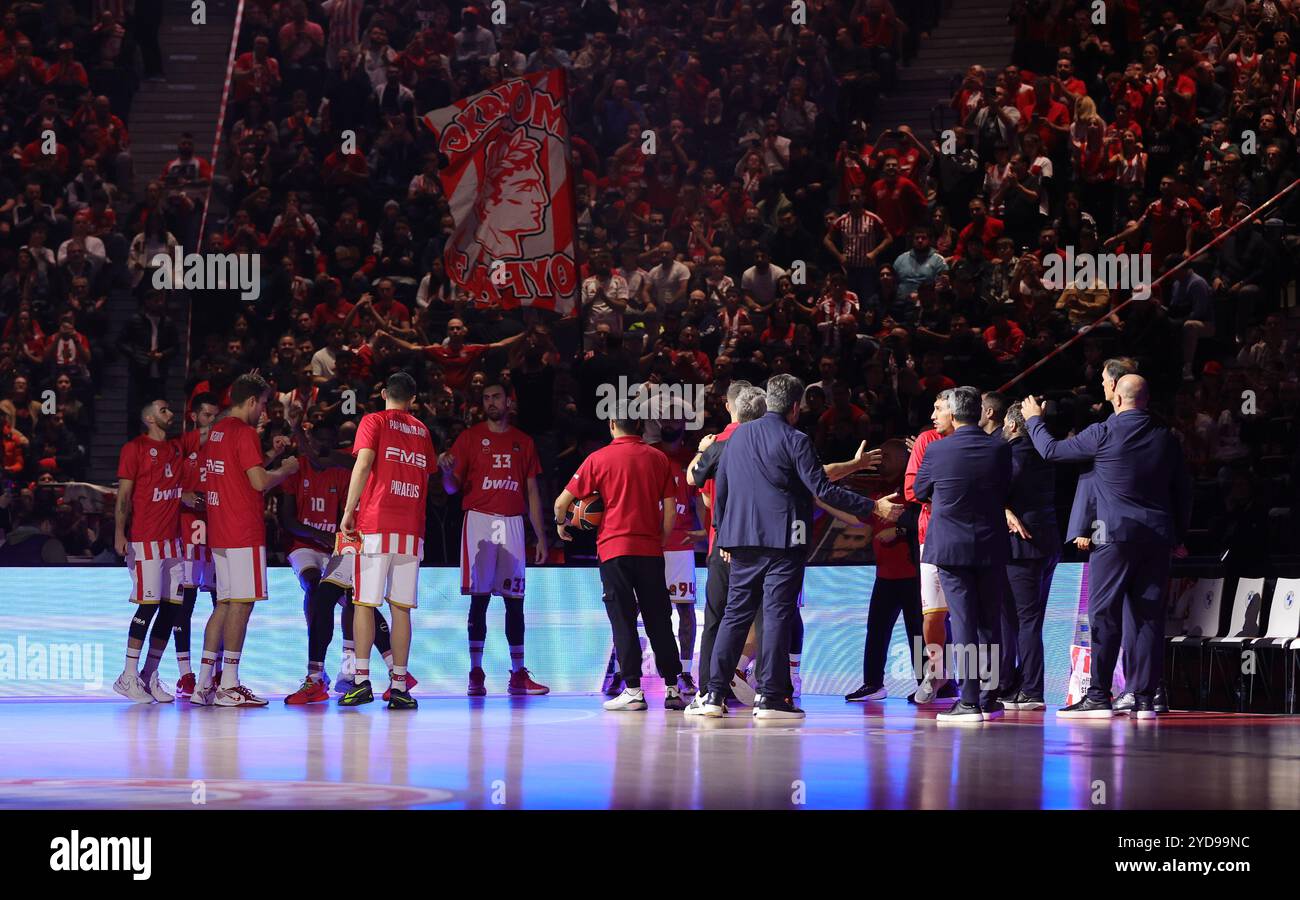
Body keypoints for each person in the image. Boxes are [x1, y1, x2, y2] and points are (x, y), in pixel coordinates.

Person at [698, 374, 901, 720]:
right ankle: (772, 697)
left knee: (735, 615)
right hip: (783, 542)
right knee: (776, 615)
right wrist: (873, 507)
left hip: (739, 540)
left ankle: (713, 694)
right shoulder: (796, 439)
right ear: (795, 408)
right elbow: (822, 490)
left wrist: (723, 534)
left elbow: (722, 491)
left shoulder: (731, 439)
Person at [1023, 375, 1191, 719]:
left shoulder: (1103, 432)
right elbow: (1184, 490)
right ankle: (1143, 697)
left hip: (1112, 536)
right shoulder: (1166, 438)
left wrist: (1034, 421)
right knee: (1148, 617)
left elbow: (1052, 450)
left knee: (1104, 613)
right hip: (1156, 537)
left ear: (1116, 394)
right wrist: (1179, 536)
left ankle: (1099, 694)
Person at [554, 415, 684, 712]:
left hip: (614, 550)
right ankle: (673, 689)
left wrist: (562, 525)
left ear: (613, 424)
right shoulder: (658, 458)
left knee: (623, 619)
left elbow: (561, 503)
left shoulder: (597, 459)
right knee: (659, 619)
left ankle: (634, 691)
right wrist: (660, 540)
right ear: (638, 425)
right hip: (650, 550)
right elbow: (669, 511)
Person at [281, 422, 412, 704]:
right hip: (356, 536)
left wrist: (297, 431)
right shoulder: (387, 456)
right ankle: (387, 674)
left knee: (348, 599)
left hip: (361, 536)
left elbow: (321, 457)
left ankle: (328, 677)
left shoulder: (358, 459)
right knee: (337, 597)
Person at [191, 374, 300, 707]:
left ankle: (204, 684)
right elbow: (257, 482)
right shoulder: (244, 432)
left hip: (221, 531)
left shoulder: (218, 432)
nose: (264, 411)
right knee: (242, 604)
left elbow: (239, 472)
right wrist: (284, 469)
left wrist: (268, 455)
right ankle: (230, 684)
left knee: (224, 604)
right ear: (252, 401)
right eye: (264, 404)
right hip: (243, 531)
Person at [440, 380, 551, 697]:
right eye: (486, 398)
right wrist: (447, 471)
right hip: (479, 521)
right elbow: (451, 488)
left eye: (496, 397)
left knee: (515, 602)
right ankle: (475, 672)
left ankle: (518, 674)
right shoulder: (469, 438)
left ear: (508, 401)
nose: (491, 402)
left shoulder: (523, 442)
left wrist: (540, 536)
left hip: (514, 524)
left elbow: (531, 491)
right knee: (480, 600)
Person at [912, 386, 1012, 723]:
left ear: (954, 414)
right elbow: (1005, 487)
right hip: (991, 544)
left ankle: (968, 701)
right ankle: (990, 696)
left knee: (965, 621)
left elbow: (920, 491)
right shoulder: (999, 449)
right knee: (989, 622)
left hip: (951, 547)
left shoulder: (937, 451)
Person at [337, 372, 436, 710]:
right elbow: (427, 477)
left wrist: (349, 510)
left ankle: (362, 682)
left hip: (376, 524)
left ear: (383, 393)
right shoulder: (423, 430)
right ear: (413, 399)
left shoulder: (373, 420)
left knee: (364, 603)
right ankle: (399, 686)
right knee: (401, 609)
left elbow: (363, 464)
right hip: (411, 529)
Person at [112, 399, 184, 703]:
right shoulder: (134, 449)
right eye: (164, 410)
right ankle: (127, 676)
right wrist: (119, 532)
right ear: (149, 418)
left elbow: (210, 428)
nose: (171, 413)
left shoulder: (178, 448)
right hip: (145, 539)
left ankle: (149, 674)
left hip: (173, 541)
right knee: (148, 605)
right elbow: (124, 496)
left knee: (171, 608)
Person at [845, 438, 922, 702]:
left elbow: (926, 522)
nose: (881, 461)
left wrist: (899, 529)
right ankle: (873, 684)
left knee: (918, 633)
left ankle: (931, 685)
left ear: (904, 459)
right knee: (876, 630)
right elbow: (858, 517)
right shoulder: (881, 491)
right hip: (885, 575)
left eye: (887, 456)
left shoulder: (915, 488)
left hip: (914, 575)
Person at [998, 401, 1060, 710]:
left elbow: (994, 491)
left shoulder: (1014, 454)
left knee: (1024, 621)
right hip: (1047, 544)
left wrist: (1003, 507)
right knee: (1024, 619)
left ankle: (1032, 689)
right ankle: (1015, 685)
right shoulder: (1044, 452)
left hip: (1021, 547)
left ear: (1010, 426)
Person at [903, 394, 957, 704]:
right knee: (933, 615)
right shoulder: (927, 439)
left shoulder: (975, 441)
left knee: (967, 615)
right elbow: (911, 489)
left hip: (971, 537)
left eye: (939, 408)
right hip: (931, 536)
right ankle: (936, 675)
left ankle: (978, 683)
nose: (933, 414)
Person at [174, 393, 220, 700]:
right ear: (194, 417)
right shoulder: (181, 446)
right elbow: (158, 482)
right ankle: (185, 675)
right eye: (206, 416)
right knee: (185, 604)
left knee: (223, 603)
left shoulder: (222, 447)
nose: (211, 423)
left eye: (216, 417)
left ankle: (218, 672)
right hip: (187, 533)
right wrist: (182, 493)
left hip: (218, 533)